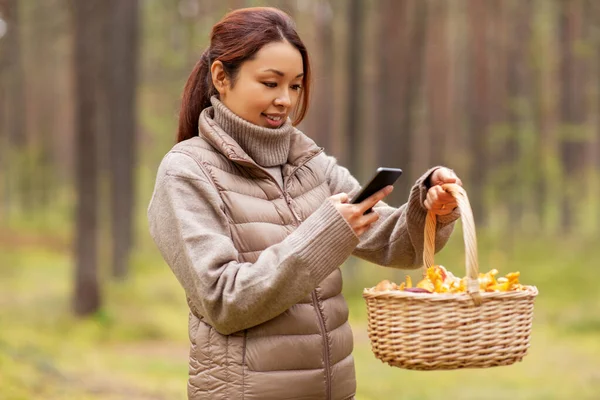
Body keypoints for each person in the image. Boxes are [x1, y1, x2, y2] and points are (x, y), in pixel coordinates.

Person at [148, 7, 462, 400]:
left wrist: (429, 210)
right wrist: (327, 233)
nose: (285, 100)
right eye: (270, 83)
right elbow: (223, 302)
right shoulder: (187, 172)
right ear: (221, 78)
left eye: (295, 86)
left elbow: (394, 244)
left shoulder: (309, 161)